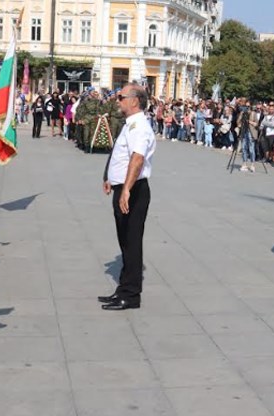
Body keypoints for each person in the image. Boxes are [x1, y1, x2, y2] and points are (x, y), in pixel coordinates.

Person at [99, 82, 156, 310]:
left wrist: (126, 190)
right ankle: (123, 289)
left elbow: (137, 158)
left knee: (131, 244)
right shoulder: (130, 124)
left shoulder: (139, 126)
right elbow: (120, 155)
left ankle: (131, 295)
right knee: (125, 242)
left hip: (133, 191)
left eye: (121, 96)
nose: (117, 100)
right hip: (124, 188)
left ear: (134, 100)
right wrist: (109, 177)